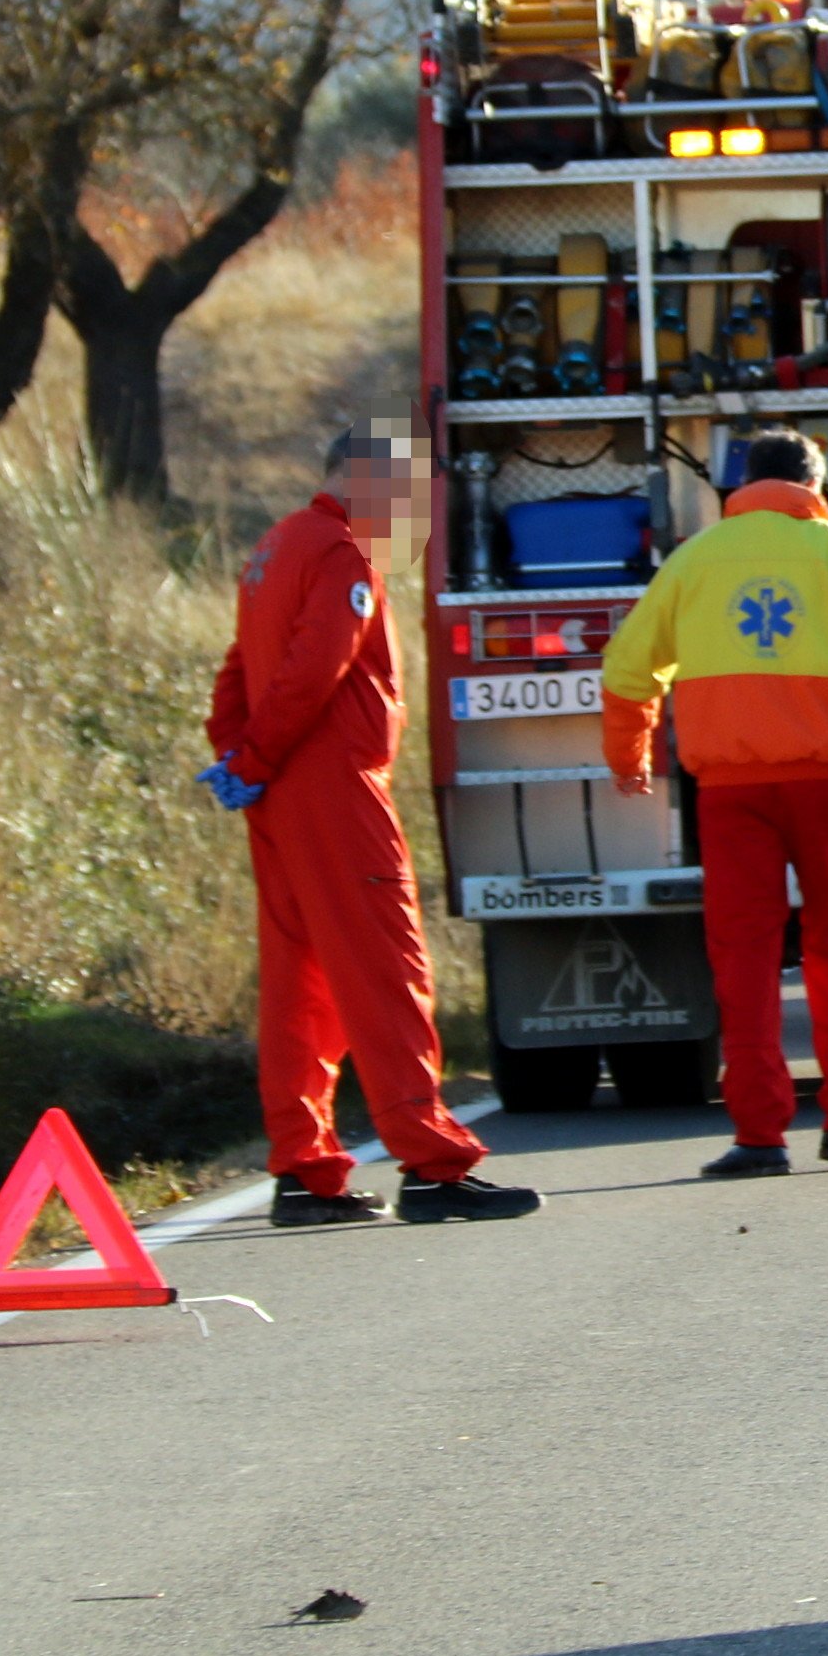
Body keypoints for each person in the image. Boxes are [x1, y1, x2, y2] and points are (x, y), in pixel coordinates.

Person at [204, 424, 539, 1228]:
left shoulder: (277, 546)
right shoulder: (347, 554)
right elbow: (316, 666)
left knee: (301, 986)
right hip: (333, 789)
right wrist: (256, 756)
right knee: (386, 970)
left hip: (281, 792)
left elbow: (239, 669)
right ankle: (431, 1163)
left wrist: (241, 758)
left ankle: (303, 1168)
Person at [601, 432, 828, 1176]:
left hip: (730, 791)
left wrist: (630, 756)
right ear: (816, 484)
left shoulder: (694, 559)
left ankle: (757, 1135)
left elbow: (627, 668)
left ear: (741, 484)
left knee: (742, 957)